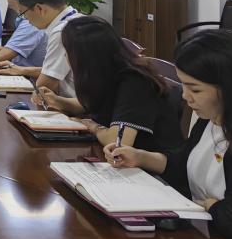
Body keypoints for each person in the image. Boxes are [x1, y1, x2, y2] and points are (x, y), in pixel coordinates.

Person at [106, 30, 232, 239]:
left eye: (195, 89)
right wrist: (139, 157)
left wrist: (213, 206)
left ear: (228, 86)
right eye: (183, 85)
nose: (185, 96)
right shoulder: (208, 119)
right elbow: (183, 161)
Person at [33, 16, 182, 151]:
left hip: (147, 172)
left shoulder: (135, 82)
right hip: (120, 161)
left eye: (68, 53)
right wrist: (57, 101)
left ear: (86, 57)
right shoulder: (108, 71)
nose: (66, 58)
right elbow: (91, 105)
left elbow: (118, 141)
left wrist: (93, 127)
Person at [0, 0, 81, 96]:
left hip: (75, 111)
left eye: (22, 13)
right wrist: (22, 70)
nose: (25, 20)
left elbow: (43, 89)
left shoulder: (62, 32)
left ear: (39, 8)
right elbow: (55, 72)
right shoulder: (77, 19)